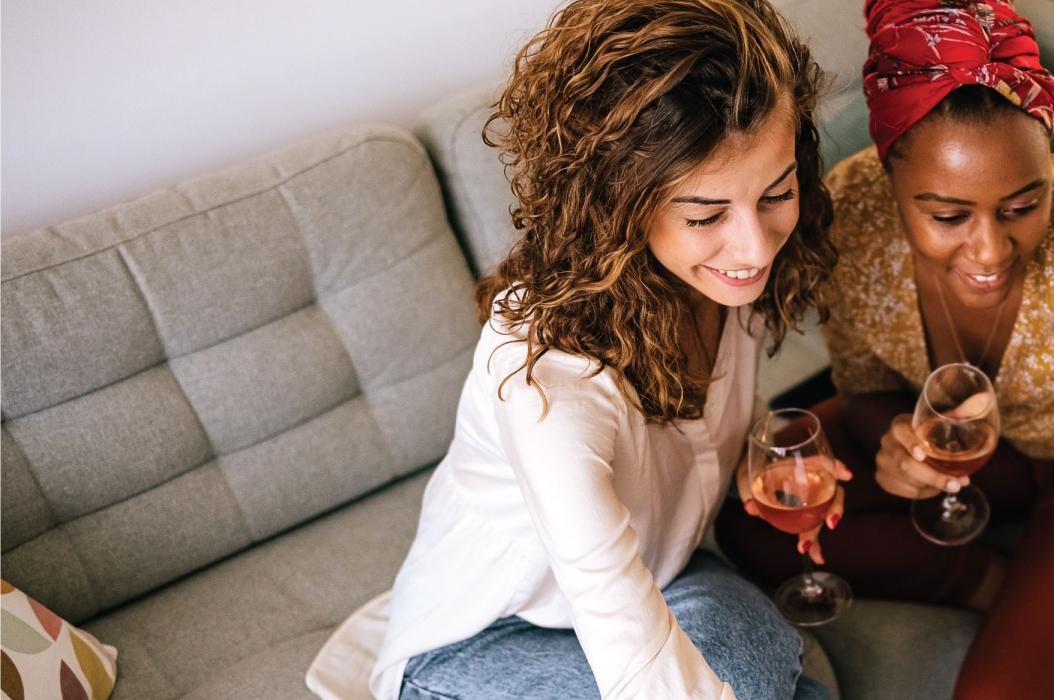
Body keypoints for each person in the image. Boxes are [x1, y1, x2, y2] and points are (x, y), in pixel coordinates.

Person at [715, 1, 1054, 698]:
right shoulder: (845, 214)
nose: (990, 251)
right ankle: (992, 580)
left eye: (1022, 206)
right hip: (980, 441)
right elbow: (867, 384)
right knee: (755, 512)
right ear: (890, 181)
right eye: (947, 215)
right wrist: (891, 437)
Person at [303, 1, 838, 697]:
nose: (756, 246)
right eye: (707, 214)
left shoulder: (712, 276)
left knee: (750, 649)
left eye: (778, 192)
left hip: (663, 579)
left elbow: (703, 435)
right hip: (484, 640)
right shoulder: (548, 377)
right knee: (751, 676)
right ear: (620, 202)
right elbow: (626, 639)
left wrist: (756, 457)